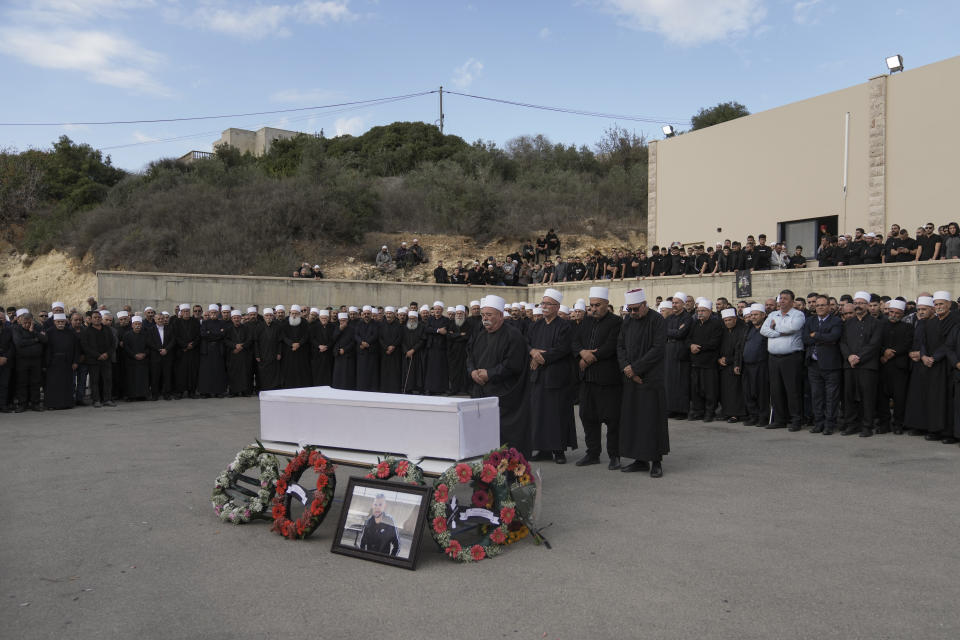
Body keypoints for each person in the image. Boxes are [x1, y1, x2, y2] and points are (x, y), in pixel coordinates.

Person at [466, 295, 530, 456]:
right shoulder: (479, 333)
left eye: (489, 315)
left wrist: (490, 374)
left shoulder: (513, 335)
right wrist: (472, 371)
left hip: (504, 394)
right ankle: (486, 472)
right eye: (483, 315)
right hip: (480, 392)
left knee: (504, 437)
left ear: (500, 315)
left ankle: (507, 473)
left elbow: (513, 364)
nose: (485, 318)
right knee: (482, 434)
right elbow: (469, 355)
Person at [617, 288, 668, 478]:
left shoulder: (657, 321)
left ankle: (656, 461)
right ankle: (639, 459)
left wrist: (636, 369)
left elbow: (657, 349)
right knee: (634, 420)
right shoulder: (628, 321)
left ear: (645, 305)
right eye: (629, 310)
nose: (632, 313)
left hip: (650, 378)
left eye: (635, 309)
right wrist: (627, 369)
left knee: (651, 421)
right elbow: (620, 346)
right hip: (631, 378)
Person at [572, 286, 623, 469]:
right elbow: (575, 341)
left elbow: (611, 346)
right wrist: (582, 353)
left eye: (597, 305)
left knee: (612, 419)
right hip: (588, 380)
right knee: (588, 417)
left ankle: (614, 455)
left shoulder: (616, 322)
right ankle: (592, 453)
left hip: (608, 380)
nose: (593, 309)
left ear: (606, 304)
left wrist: (591, 357)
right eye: (591, 305)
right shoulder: (585, 322)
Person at [526, 288, 577, 464]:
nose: (544, 307)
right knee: (538, 414)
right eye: (543, 303)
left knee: (556, 415)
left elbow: (563, 349)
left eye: (548, 304)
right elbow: (526, 344)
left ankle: (559, 450)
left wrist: (541, 358)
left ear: (556, 307)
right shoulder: (536, 325)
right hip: (537, 377)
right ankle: (542, 449)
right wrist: (532, 352)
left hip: (556, 376)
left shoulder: (565, 326)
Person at [760, 289, 806, 430]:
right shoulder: (773, 314)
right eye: (780, 299)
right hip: (774, 358)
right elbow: (763, 330)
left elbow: (793, 327)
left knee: (792, 390)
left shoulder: (798, 314)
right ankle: (779, 419)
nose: (782, 301)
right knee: (776, 390)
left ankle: (796, 420)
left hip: (791, 358)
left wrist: (775, 328)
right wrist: (779, 333)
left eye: (785, 299)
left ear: (792, 301)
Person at [802, 295, 843, 435]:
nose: (819, 307)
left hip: (831, 365)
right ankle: (818, 423)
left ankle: (829, 424)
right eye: (817, 305)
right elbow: (805, 339)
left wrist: (816, 335)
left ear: (829, 306)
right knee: (816, 396)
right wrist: (821, 337)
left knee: (831, 397)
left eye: (823, 305)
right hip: (813, 365)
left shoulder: (836, 321)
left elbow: (834, 337)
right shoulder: (810, 321)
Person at [877, 299, 913, 434]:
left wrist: (890, 353)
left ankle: (898, 424)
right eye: (891, 312)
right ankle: (884, 424)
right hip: (883, 366)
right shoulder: (880, 325)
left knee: (899, 398)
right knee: (882, 397)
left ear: (902, 314)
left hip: (899, 367)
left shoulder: (908, 327)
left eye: (897, 313)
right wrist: (883, 352)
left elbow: (907, 344)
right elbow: (876, 342)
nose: (893, 315)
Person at [688, 298, 722, 422]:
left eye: (703, 311)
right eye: (699, 310)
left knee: (709, 390)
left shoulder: (716, 324)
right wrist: (691, 346)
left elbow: (715, 342)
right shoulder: (695, 324)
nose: (700, 313)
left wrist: (699, 347)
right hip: (695, 362)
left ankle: (709, 412)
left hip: (709, 363)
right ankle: (698, 411)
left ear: (709, 311)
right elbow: (688, 338)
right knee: (696, 389)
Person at [12, 309, 47, 412]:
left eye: (29, 322)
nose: (27, 325)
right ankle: (23, 404)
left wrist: (34, 332)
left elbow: (45, 340)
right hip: (22, 360)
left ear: (33, 321)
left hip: (36, 360)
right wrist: (36, 340)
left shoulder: (38, 327)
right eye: (25, 323)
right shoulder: (16, 329)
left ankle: (35, 403)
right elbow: (19, 343)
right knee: (22, 382)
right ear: (20, 321)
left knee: (35, 382)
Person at [741, 303, 770, 426]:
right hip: (747, 365)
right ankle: (753, 416)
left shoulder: (766, 328)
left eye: (756, 315)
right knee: (749, 392)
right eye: (751, 315)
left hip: (761, 365)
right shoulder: (749, 328)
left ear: (763, 315)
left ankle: (763, 417)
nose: (753, 317)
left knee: (761, 392)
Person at [81, 309, 116, 408]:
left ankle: (107, 399)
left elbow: (113, 344)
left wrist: (107, 354)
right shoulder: (87, 331)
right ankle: (96, 400)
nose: (97, 319)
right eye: (95, 318)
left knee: (107, 380)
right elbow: (85, 346)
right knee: (95, 381)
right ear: (91, 319)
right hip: (93, 360)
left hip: (106, 359)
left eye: (99, 317)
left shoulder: (107, 329)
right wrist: (97, 355)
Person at [44, 313, 78, 410]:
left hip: (67, 362)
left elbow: (76, 348)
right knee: (53, 385)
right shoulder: (49, 332)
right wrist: (46, 363)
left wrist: (75, 361)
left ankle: (66, 404)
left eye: (62, 322)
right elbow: (46, 349)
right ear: (54, 322)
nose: (60, 323)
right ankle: (52, 404)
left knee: (66, 384)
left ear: (65, 322)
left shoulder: (71, 333)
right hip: (53, 363)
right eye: (58, 322)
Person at [718, 308, 746, 422]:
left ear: (735, 319)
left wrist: (729, 360)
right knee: (724, 390)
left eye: (730, 320)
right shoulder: (723, 332)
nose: (728, 322)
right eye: (725, 320)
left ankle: (736, 413)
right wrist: (719, 359)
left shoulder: (741, 331)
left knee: (735, 391)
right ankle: (726, 412)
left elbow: (740, 349)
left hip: (734, 364)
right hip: (723, 365)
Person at [197, 305, 227, 398]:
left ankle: (218, 391)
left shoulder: (222, 323)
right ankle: (205, 392)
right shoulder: (205, 323)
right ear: (209, 313)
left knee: (218, 371)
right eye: (211, 313)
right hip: (207, 350)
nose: (213, 314)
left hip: (218, 349)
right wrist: (217, 333)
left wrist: (210, 333)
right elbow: (203, 334)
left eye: (215, 313)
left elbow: (223, 334)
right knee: (206, 372)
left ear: (218, 313)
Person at [423, 301, 451, 396]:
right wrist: (438, 330)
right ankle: (429, 389)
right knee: (430, 370)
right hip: (431, 347)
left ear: (442, 310)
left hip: (441, 348)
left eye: (439, 309)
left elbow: (446, 330)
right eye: (436, 309)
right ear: (433, 310)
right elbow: (427, 329)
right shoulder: (430, 319)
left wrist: (434, 330)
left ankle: (442, 388)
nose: (437, 311)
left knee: (442, 369)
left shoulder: (446, 320)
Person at [173, 303, 201, 398]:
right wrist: (185, 345)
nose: (186, 313)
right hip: (182, 351)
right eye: (184, 311)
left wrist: (192, 345)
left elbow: (199, 336)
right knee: (181, 372)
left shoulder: (195, 322)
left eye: (188, 311)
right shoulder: (176, 322)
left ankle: (191, 391)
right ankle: (180, 392)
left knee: (192, 372)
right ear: (181, 312)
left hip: (193, 351)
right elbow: (175, 337)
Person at [280, 305, 311, 388]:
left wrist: (299, 343)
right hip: (288, 350)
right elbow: (283, 336)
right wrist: (291, 344)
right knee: (289, 369)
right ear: (290, 313)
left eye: (296, 314)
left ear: (299, 314)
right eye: (292, 313)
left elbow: (307, 335)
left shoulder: (305, 323)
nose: (294, 315)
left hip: (301, 350)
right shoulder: (285, 322)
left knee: (301, 369)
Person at [224, 310, 254, 396]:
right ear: (232, 319)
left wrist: (241, 346)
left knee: (245, 373)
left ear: (241, 318)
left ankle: (245, 391)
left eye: (238, 318)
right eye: (234, 318)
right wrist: (234, 346)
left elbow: (250, 339)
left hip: (244, 354)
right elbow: (226, 340)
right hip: (233, 354)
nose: (236, 319)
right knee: (233, 373)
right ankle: (234, 391)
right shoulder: (228, 329)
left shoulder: (246, 328)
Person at [148, 310, 176, 400]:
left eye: (162, 319)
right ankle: (155, 394)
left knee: (167, 376)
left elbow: (173, 340)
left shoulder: (170, 328)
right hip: (155, 356)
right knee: (155, 376)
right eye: (158, 319)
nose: (160, 320)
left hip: (167, 356)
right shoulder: (150, 330)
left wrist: (166, 349)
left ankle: (166, 394)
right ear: (155, 320)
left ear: (164, 319)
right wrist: (158, 349)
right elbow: (149, 342)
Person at [378, 307, 403, 393]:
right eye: (387, 313)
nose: (388, 315)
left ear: (394, 315)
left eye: (390, 313)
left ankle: (395, 389)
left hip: (395, 352)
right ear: (385, 314)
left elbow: (400, 337)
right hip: (385, 352)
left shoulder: (399, 325)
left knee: (395, 372)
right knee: (385, 371)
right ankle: (384, 389)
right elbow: (380, 338)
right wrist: (386, 347)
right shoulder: (381, 325)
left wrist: (393, 346)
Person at [354, 306, 380, 392]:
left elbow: (375, 335)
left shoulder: (376, 324)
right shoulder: (358, 324)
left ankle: (372, 389)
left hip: (372, 351)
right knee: (362, 373)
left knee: (372, 373)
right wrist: (361, 342)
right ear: (362, 315)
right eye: (364, 314)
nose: (366, 315)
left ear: (371, 314)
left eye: (368, 314)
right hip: (361, 352)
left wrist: (366, 343)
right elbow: (356, 335)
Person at [447, 306, 471, 395]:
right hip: (453, 351)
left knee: (464, 370)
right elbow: (449, 336)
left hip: (464, 351)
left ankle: (464, 389)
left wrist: (455, 336)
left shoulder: (468, 324)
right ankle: (454, 389)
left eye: (461, 313)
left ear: (464, 314)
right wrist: (460, 334)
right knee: (454, 370)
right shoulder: (451, 324)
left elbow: (467, 337)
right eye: (458, 313)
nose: (459, 315)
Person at [401, 310, 426, 394]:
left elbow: (422, 340)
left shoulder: (421, 327)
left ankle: (418, 388)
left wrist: (413, 350)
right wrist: (406, 351)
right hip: (407, 354)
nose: (412, 320)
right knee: (408, 371)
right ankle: (408, 388)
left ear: (417, 319)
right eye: (410, 318)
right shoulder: (404, 327)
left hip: (418, 353)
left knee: (418, 372)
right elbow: (402, 341)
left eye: (413, 319)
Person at [331, 312, 357, 390]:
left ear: (347, 320)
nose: (342, 322)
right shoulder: (336, 328)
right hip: (338, 355)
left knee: (347, 375)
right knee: (338, 375)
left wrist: (345, 349)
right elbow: (333, 339)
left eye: (344, 320)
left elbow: (353, 342)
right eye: (341, 320)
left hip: (348, 355)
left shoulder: (352, 329)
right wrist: (340, 330)